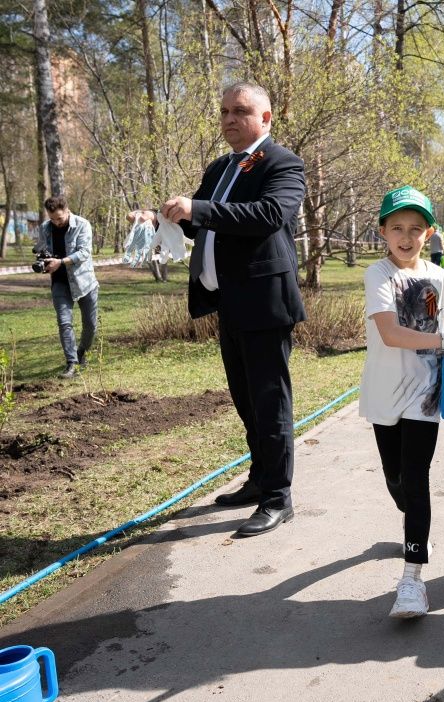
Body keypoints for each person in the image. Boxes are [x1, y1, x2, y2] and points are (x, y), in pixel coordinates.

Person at [130, 82, 306, 537]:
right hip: (229, 302)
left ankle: (277, 498)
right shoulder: (220, 167)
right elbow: (202, 225)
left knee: (271, 404)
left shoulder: (282, 163)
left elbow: (268, 215)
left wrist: (198, 209)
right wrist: (166, 217)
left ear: (265, 118)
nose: (229, 118)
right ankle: (258, 480)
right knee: (246, 402)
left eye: (240, 111)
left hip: (265, 305)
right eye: (224, 110)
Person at [360, 186, 444, 619]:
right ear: (383, 231)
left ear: (429, 232)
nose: (407, 236)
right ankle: (413, 517)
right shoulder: (378, 275)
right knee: (395, 479)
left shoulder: (436, 274)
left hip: (425, 397)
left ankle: (412, 578)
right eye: (397, 227)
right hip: (383, 395)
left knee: (416, 479)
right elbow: (391, 333)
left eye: (416, 228)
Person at [35, 195, 99, 379]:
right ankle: (71, 363)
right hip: (60, 284)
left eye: (60, 218)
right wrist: (42, 258)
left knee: (91, 326)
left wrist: (60, 262)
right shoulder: (45, 228)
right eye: (52, 219)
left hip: (84, 282)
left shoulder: (83, 225)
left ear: (67, 211)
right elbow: (41, 247)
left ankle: (81, 353)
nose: (56, 223)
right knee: (64, 323)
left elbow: (85, 252)